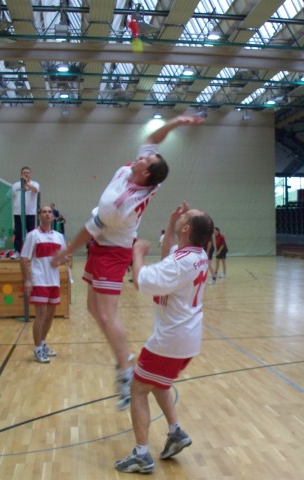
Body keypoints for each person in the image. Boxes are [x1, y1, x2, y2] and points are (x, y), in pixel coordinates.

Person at [51, 114, 204, 410]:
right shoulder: (140, 172)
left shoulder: (120, 205)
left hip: (114, 251)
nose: (141, 156)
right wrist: (177, 122)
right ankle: (124, 359)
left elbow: (89, 229)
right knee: (92, 308)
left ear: (145, 174)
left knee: (107, 315)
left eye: (145, 160)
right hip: (101, 246)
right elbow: (152, 139)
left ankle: (125, 370)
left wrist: (65, 251)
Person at [114, 202, 214, 474]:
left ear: (187, 229)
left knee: (138, 389)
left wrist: (137, 253)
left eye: (185, 217)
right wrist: (171, 222)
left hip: (169, 340)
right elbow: (169, 249)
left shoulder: (179, 264)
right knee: (159, 383)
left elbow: (140, 281)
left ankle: (141, 455)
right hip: (187, 339)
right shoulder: (197, 255)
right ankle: (176, 432)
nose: (182, 216)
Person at [20, 205, 67, 363]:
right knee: (41, 315)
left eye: (49, 212)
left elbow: (63, 258)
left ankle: (43, 343)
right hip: (39, 280)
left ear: (53, 216)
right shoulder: (33, 235)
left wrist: (61, 260)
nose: (47, 214)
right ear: (40, 216)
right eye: (44, 212)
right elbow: (24, 258)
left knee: (50, 315)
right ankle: (37, 348)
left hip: (54, 281)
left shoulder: (59, 237)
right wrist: (27, 280)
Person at [12, 166, 40, 256]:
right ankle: (17, 251)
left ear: (30, 174)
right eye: (24, 173)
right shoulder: (15, 185)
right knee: (18, 233)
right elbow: (10, 196)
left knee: (31, 233)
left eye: (28, 173)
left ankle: (31, 252)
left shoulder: (35, 184)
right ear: (21, 174)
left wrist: (26, 183)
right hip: (18, 213)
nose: (26, 174)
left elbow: (35, 190)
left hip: (30, 213)